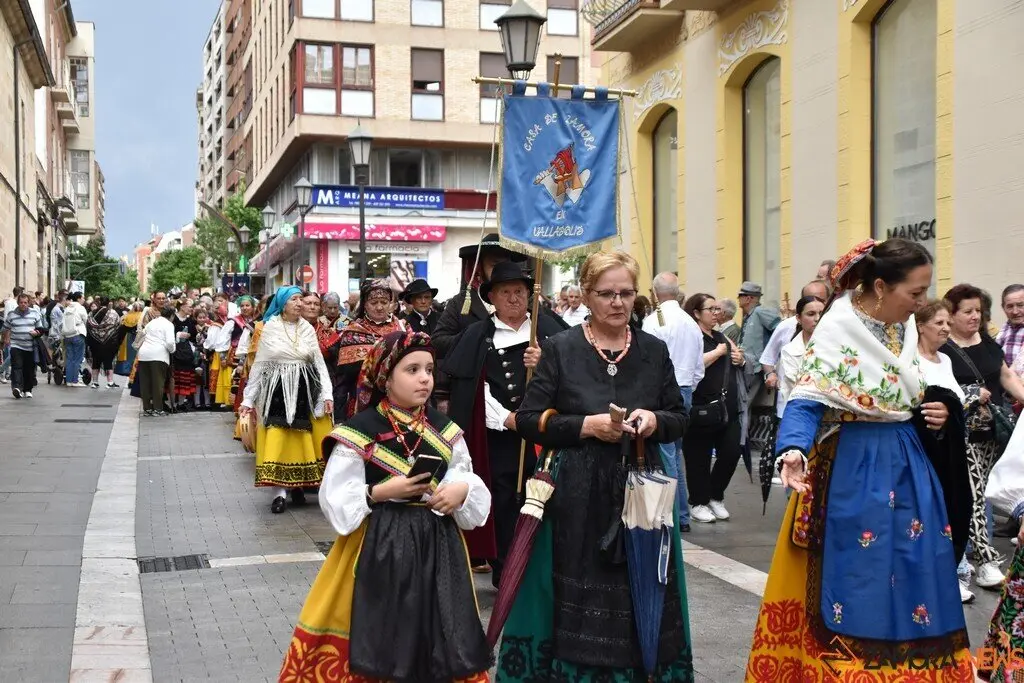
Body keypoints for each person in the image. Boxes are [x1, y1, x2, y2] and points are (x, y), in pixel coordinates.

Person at [747, 238, 973, 679]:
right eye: (915, 293)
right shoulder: (838, 329)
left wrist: (943, 411)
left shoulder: (904, 327)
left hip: (909, 465)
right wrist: (792, 451)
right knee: (856, 578)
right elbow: (807, 399)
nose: (922, 303)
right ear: (882, 287)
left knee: (916, 570)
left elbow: (913, 393)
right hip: (854, 468)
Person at [496, 250, 692, 681]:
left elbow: (679, 416)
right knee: (579, 589)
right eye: (606, 294)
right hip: (577, 491)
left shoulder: (653, 350)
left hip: (642, 486)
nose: (618, 302)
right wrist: (586, 426)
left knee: (641, 588)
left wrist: (654, 420)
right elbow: (529, 419)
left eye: (626, 293)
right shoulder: (560, 349)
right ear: (587, 295)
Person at [279, 330, 492, 682]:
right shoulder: (360, 430)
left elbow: (464, 474)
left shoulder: (446, 429)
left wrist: (462, 490)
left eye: (429, 369)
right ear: (385, 377)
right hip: (378, 547)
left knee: (440, 629)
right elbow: (335, 499)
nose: (425, 378)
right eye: (412, 370)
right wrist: (377, 493)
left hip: (438, 547)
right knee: (378, 631)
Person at [443, 261, 563, 588]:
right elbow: (473, 390)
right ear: (492, 297)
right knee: (505, 502)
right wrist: (509, 419)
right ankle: (507, 571)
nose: (513, 299)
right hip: (498, 438)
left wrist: (546, 363)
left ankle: (544, 569)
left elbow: (574, 381)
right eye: (505, 292)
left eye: (520, 292)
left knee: (548, 500)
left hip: (546, 437)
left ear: (530, 295)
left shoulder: (550, 331)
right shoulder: (477, 335)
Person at [943, 283, 1024, 590]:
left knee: (987, 493)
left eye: (978, 311)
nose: (975, 317)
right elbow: (934, 384)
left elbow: (1006, 375)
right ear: (951, 315)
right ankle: (985, 561)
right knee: (974, 495)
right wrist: (972, 393)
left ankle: (964, 561)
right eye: (968, 311)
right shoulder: (943, 346)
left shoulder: (988, 342)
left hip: (995, 430)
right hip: (963, 432)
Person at [240, 286, 334, 514]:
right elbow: (260, 366)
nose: (300, 303)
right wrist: (248, 399)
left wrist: (327, 394)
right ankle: (279, 493)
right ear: (283, 303)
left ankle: (298, 486)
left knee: (302, 438)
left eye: (301, 299)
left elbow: (319, 364)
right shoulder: (270, 328)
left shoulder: (307, 330)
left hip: (304, 389)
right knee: (278, 436)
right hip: (277, 390)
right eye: (294, 299)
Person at [916, 299, 973, 605]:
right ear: (921, 325)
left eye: (948, 323)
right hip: (925, 452)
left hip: (950, 450)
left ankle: (953, 568)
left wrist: (951, 411)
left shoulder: (946, 360)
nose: (945, 328)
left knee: (957, 506)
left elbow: (956, 402)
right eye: (938, 323)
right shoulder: (910, 359)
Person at [643, 272, 705, 530]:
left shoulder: (653, 322)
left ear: (654, 292)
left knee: (666, 455)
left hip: (664, 393)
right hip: (686, 389)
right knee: (674, 454)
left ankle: (675, 515)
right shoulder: (691, 323)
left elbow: (646, 364)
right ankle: (680, 514)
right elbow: (699, 368)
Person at [682, 293, 745, 523]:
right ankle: (698, 501)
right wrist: (719, 352)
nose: (716, 313)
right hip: (700, 406)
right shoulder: (692, 335)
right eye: (711, 309)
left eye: (718, 309)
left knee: (731, 452)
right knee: (698, 456)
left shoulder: (721, 336)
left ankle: (715, 495)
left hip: (726, 407)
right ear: (697, 313)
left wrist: (740, 359)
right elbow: (692, 363)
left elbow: (737, 358)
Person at [432, 232, 528, 359]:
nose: (501, 271)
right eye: (494, 265)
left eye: (505, 265)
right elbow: (437, 343)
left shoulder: (526, 300)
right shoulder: (460, 303)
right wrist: (474, 338)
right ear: (479, 267)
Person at [334, 279, 407, 418]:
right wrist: (339, 414)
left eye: (384, 302)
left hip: (399, 400)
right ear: (365, 305)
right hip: (363, 404)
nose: (379, 307)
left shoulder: (403, 328)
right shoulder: (353, 331)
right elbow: (343, 379)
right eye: (374, 303)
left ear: (391, 304)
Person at [775, 294, 825, 418]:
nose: (817, 318)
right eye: (811, 314)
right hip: (802, 413)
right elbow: (798, 387)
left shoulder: (837, 345)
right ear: (798, 318)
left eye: (821, 313)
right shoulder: (790, 350)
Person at [2, 293, 45, 399]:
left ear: (29, 303)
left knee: (29, 368)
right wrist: (5, 339)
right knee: (17, 367)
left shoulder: (35, 313)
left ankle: (27, 390)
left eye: (25, 302)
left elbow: (41, 329)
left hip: (30, 346)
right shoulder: (12, 314)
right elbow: (5, 328)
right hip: (16, 345)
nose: (23, 304)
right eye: (21, 302)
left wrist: (37, 332)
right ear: (18, 303)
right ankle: (17, 388)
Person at [137, 306, 176, 416]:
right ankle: (158, 409)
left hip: (144, 354)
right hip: (159, 355)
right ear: (172, 316)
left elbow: (142, 333)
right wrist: (172, 350)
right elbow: (169, 343)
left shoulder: (152, 322)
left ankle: (147, 408)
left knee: (145, 383)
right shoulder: (169, 324)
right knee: (158, 383)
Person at [62, 291, 89, 387]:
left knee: (69, 359)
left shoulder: (67, 308)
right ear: (78, 298)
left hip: (67, 335)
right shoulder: (80, 308)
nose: (84, 300)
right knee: (77, 359)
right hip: (78, 334)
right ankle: (75, 381)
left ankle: (69, 381)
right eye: (83, 298)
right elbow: (86, 320)